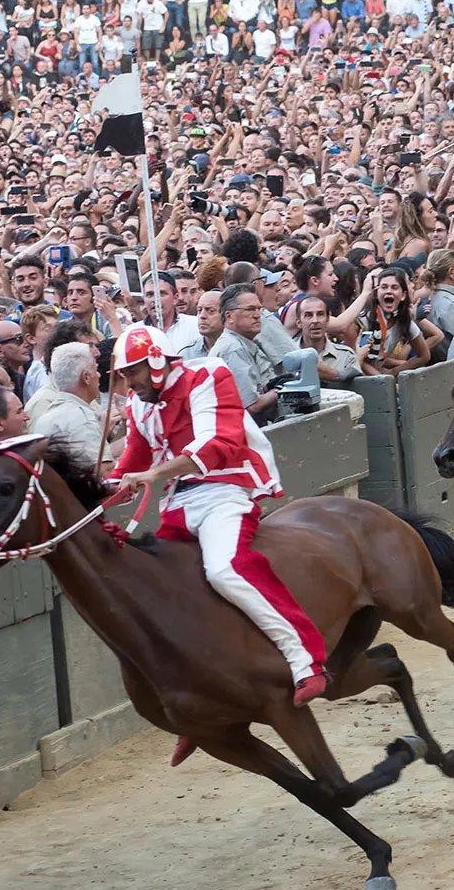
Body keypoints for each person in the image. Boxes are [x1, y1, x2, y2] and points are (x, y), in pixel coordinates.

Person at [109, 324, 330, 766]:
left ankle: (305, 658)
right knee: (164, 592)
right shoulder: (140, 403)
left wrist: (152, 476)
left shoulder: (207, 375)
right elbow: (133, 457)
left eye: (131, 374)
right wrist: (108, 485)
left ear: (155, 362)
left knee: (225, 569)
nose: (126, 385)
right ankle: (201, 714)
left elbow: (219, 446)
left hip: (224, 492)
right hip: (178, 504)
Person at [30, 341, 116, 469]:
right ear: (86, 377)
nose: (98, 375)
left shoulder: (47, 416)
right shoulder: (81, 419)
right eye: (96, 369)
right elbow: (104, 472)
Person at [209, 283, 281, 424]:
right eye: (249, 309)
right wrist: (281, 390)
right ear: (229, 316)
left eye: (259, 309)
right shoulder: (233, 348)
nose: (257, 315)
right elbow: (251, 405)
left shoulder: (242, 342)